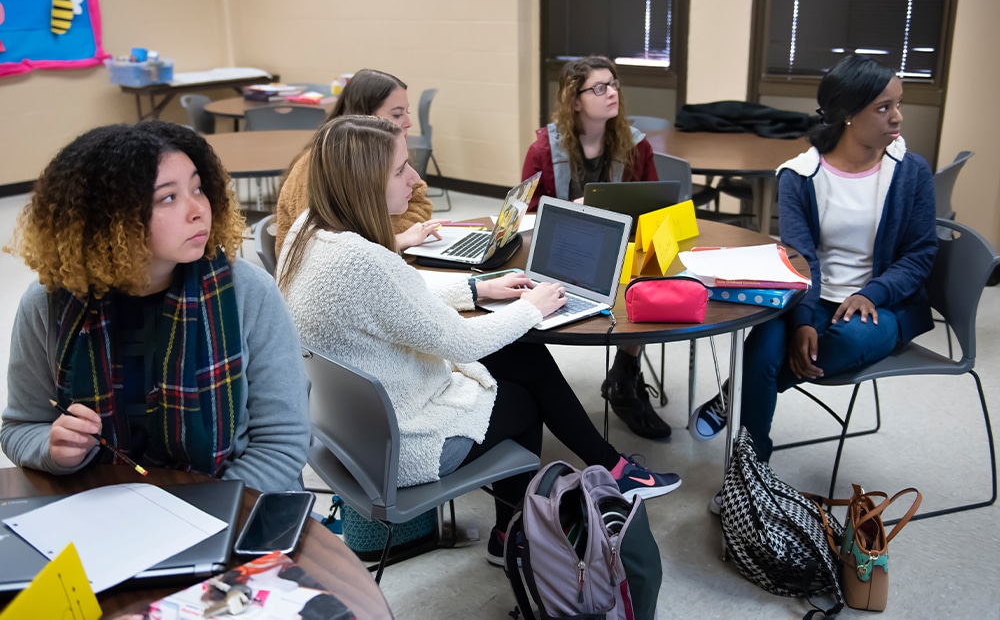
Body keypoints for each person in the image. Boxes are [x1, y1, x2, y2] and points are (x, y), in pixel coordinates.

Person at [277, 115, 681, 565]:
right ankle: (521, 531)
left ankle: (589, 480)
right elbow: (459, 342)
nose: (415, 179)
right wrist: (533, 307)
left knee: (521, 358)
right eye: (400, 170)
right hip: (407, 445)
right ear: (362, 182)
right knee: (527, 395)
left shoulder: (309, 232)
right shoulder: (363, 263)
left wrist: (475, 289)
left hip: (352, 435)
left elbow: (395, 298)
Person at [1, 121, 311, 493]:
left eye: (198, 188)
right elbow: (21, 427)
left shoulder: (247, 292)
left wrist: (207, 510)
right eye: (168, 198)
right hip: (101, 506)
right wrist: (52, 448)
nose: (198, 209)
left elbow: (282, 444)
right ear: (109, 220)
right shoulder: (47, 304)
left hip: (231, 501)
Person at [688, 54, 937, 513]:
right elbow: (804, 258)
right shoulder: (801, 175)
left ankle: (732, 397)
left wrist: (871, 293)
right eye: (884, 108)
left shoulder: (910, 171)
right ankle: (750, 477)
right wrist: (803, 318)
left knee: (831, 347)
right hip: (808, 294)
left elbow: (920, 254)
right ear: (848, 113)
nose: (897, 116)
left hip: (884, 302)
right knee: (760, 351)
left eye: (898, 104)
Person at [521, 55, 669, 440]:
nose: (611, 93)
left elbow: (653, 206)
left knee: (651, 277)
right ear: (574, 100)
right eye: (599, 88)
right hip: (564, 251)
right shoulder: (543, 148)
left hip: (621, 247)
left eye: (614, 84)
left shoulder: (636, 146)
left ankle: (625, 373)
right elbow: (528, 212)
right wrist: (573, 210)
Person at [275, 68, 442, 258]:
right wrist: (397, 239)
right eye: (397, 114)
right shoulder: (318, 167)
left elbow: (418, 202)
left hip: (382, 260)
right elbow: (324, 246)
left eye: (407, 112)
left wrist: (395, 235)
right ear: (363, 118)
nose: (408, 122)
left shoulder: (388, 153)